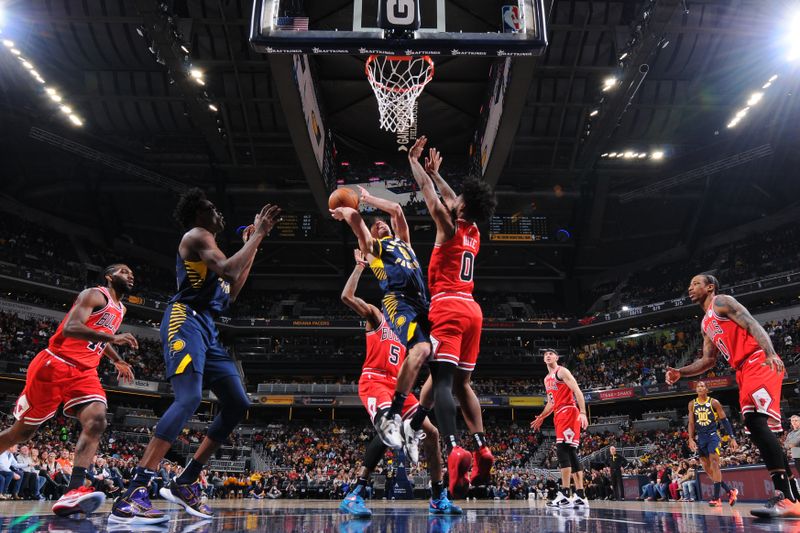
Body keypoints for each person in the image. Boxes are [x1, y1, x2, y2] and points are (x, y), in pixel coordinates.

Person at [111, 189, 280, 523]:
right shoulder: (197, 235)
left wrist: (254, 244)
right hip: (183, 320)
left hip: (207, 328)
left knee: (237, 402)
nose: (218, 211)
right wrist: (258, 233)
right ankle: (134, 490)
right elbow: (230, 271)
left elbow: (232, 289)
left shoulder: (211, 249)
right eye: (210, 208)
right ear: (198, 216)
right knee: (188, 399)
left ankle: (185, 481)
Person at [0, 264, 137, 516]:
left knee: (97, 421)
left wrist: (116, 358)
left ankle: (73, 492)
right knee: (22, 434)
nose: (130, 275)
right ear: (109, 276)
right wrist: (113, 339)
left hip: (84, 372)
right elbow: (70, 328)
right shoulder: (94, 294)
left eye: (131, 273)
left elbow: (100, 334)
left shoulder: (121, 308)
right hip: (56, 364)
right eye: (123, 271)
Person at [405, 137, 498, 498]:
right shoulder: (473, 230)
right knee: (464, 385)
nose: (452, 197)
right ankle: (481, 446)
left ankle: (455, 446)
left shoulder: (447, 227)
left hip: (447, 308)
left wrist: (415, 164)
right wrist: (439, 174)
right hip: (473, 311)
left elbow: (431, 195)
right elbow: (450, 196)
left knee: (442, 382)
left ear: (460, 207)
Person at [337, 250, 461, 517]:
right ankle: (355, 493)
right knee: (387, 428)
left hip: (396, 386)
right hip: (374, 380)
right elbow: (346, 297)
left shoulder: (409, 330)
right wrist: (360, 266)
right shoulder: (376, 316)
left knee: (432, 433)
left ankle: (439, 496)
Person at [666, 274, 800, 518]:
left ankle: (786, 497)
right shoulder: (706, 323)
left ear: (710, 287)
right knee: (756, 426)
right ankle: (791, 498)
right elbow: (708, 360)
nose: (690, 287)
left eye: (695, 283)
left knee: (756, 422)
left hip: (758, 360)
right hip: (743, 370)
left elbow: (752, 324)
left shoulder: (722, 301)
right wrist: (680, 372)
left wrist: (769, 352)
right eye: (689, 284)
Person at [330, 187, 431, 454]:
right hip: (397, 300)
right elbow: (361, 233)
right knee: (421, 349)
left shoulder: (404, 244)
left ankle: (413, 427)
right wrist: (350, 212)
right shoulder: (376, 252)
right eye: (376, 226)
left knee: (442, 365)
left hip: (422, 302)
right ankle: (393, 418)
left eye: (381, 223)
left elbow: (397, 210)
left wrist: (367, 199)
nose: (380, 224)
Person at [530, 349, 589, 508]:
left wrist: (583, 412)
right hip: (559, 413)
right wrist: (541, 417)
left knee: (562, 449)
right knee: (570, 451)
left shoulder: (561, 371)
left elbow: (577, 390)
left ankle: (564, 493)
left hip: (569, 411)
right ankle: (580, 495)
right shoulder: (546, 379)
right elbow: (551, 402)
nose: (548, 355)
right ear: (544, 359)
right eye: (545, 354)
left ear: (556, 357)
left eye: (551, 354)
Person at [687, 381, 739, 506]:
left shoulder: (714, 402)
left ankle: (716, 498)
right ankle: (730, 491)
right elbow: (691, 423)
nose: (700, 387)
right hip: (701, 439)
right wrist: (690, 438)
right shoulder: (692, 404)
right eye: (698, 386)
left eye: (702, 386)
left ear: (706, 389)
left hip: (713, 437)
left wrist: (732, 437)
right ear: (696, 390)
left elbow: (724, 420)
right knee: (707, 469)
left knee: (715, 464)